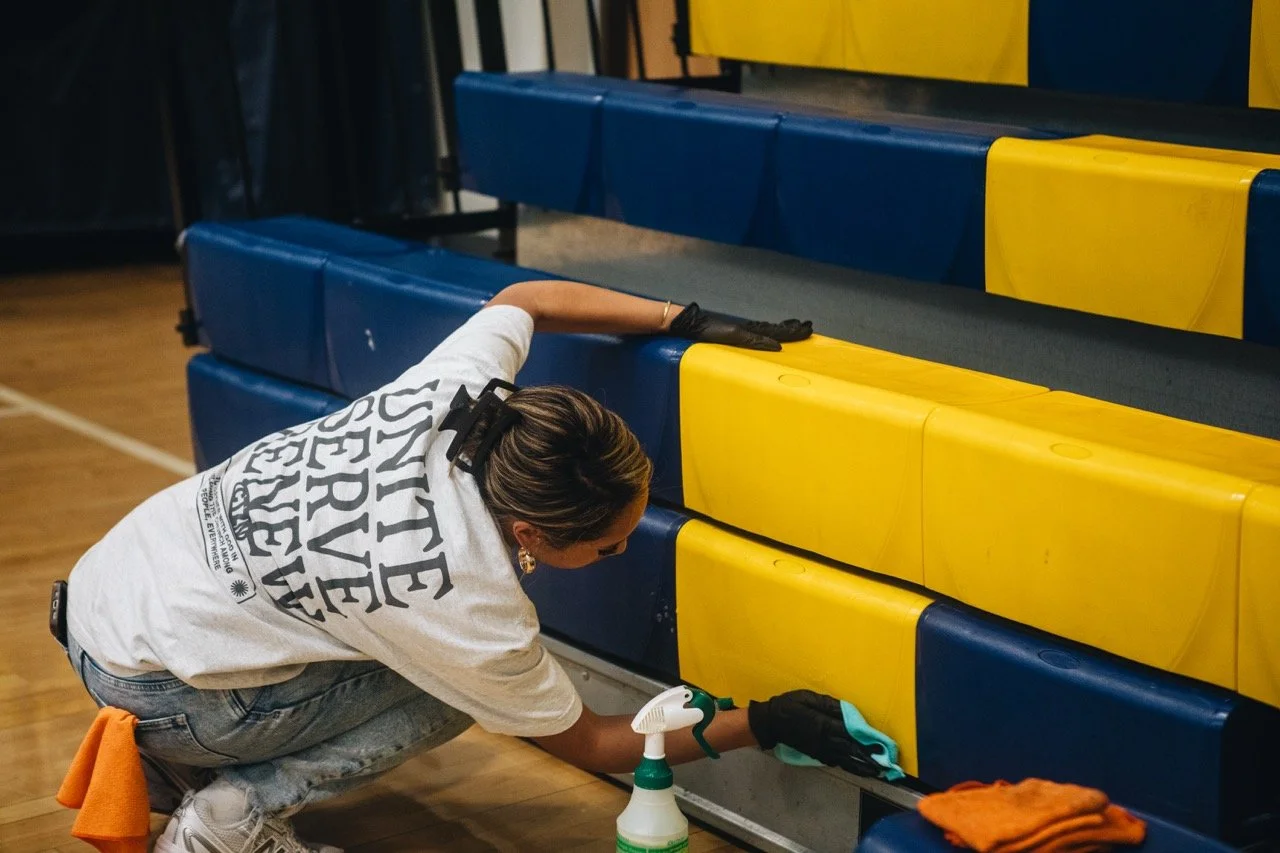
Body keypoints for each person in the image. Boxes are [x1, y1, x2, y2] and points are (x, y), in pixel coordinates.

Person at [63, 279, 876, 853]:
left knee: (448, 667)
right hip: (159, 686)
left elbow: (526, 297)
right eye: (606, 546)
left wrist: (685, 316)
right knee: (459, 691)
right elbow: (590, 742)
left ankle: (172, 761)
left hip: (110, 598)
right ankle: (229, 818)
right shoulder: (464, 594)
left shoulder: (464, 396)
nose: (620, 553)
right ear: (528, 528)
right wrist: (761, 724)